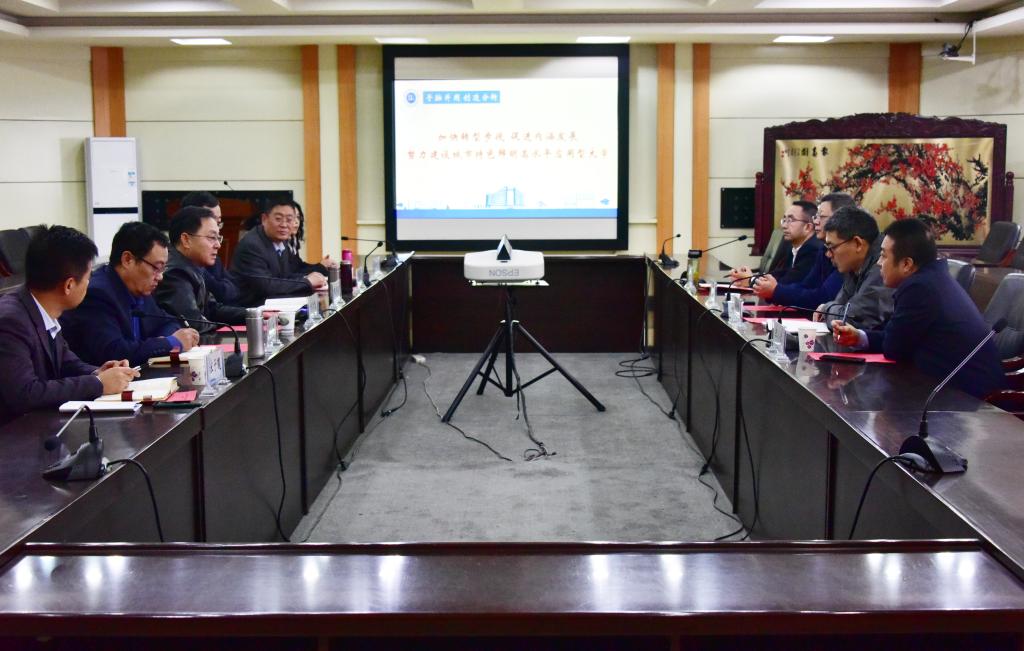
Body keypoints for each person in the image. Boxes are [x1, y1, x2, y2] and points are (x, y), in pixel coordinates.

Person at [833, 218, 1005, 400]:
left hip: (970, 398)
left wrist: (869, 338)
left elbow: (894, 347)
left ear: (906, 264)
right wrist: (859, 337)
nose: (878, 263)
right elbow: (899, 337)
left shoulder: (920, 288)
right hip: (944, 387)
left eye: (883, 256)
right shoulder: (930, 278)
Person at [0, 226, 138, 425]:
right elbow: (25, 393)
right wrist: (98, 384)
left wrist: (97, 372)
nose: (89, 284)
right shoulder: (11, 321)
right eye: (88, 278)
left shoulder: (41, 307)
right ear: (69, 285)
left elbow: (65, 362)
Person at [61, 222, 200, 366]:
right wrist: (169, 343)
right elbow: (114, 353)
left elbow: (169, 322)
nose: (160, 277)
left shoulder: (140, 289)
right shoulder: (97, 294)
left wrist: (162, 341)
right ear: (128, 260)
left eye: (162, 269)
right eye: (156, 268)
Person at [754, 192, 854, 311]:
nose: (816, 222)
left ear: (841, 219)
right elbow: (806, 285)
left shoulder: (842, 251)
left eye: (821, 217)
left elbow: (824, 297)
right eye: (816, 217)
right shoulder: (823, 249)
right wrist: (774, 291)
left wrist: (776, 291)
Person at [155, 206, 247, 334]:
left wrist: (254, 314)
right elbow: (194, 325)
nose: (218, 245)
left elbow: (212, 310)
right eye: (211, 238)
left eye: (218, 238)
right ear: (186, 240)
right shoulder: (175, 274)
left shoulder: (192, 266)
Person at [230, 196, 335, 306]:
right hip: (250, 307)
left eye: (289, 220)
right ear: (264, 219)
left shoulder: (281, 240)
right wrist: (307, 282)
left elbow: (294, 270)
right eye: (278, 219)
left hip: (274, 302)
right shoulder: (252, 245)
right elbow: (266, 286)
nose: (284, 225)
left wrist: (320, 269)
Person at [815, 206, 894, 330]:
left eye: (832, 247)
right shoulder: (855, 264)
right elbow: (841, 308)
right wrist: (831, 310)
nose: (828, 254)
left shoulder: (883, 265)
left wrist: (826, 309)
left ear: (857, 243)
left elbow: (852, 320)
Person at [729, 201, 823, 285]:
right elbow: (779, 274)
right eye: (784, 220)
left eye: (790, 220)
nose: (784, 226)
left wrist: (751, 280)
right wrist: (746, 277)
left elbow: (787, 283)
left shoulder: (814, 250)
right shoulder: (792, 247)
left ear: (808, 227)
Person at [180, 190, 240, 304]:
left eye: (219, 222)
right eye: (211, 221)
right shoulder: (177, 268)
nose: (217, 229)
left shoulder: (214, 258)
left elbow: (234, 291)